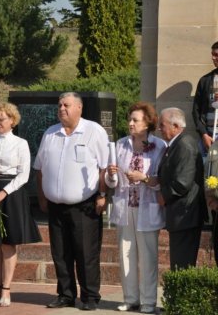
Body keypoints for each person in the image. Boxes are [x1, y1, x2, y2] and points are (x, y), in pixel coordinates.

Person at [33, 92, 109, 311]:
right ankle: (66, 294)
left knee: (86, 252)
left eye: (66, 105)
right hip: (56, 206)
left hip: (85, 205)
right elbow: (39, 169)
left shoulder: (94, 131)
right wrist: (41, 197)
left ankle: (90, 296)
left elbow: (105, 167)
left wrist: (103, 195)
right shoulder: (50, 133)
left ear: (79, 108)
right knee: (60, 252)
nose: (61, 109)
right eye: (59, 105)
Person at [105, 102, 166, 314]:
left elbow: (162, 180)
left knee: (148, 257)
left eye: (135, 120)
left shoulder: (159, 146)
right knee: (125, 254)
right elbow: (112, 182)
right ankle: (130, 299)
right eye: (129, 119)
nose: (130, 123)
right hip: (125, 207)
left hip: (147, 208)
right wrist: (111, 174)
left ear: (147, 123)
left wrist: (145, 178)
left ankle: (149, 302)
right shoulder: (121, 144)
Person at [0, 103, 41, 307]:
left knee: (9, 242)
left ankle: (6, 289)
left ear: (12, 121)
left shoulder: (20, 143)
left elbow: (24, 174)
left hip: (12, 192)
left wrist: (3, 192)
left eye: (3, 119)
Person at [157, 107, 207, 270]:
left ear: (176, 126)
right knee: (179, 264)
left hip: (186, 215)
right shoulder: (177, 144)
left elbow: (183, 181)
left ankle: (182, 296)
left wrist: (164, 195)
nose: (159, 129)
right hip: (181, 215)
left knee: (182, 265)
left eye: (162, 125)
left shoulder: (184, 144)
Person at [192, 41, 218, 156]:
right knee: (207, 170)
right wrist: (203, 134)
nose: (213, 58)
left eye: (216, 54)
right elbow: (196, 111)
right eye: (212, 54)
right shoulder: (205, 80)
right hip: (209, 134)